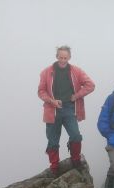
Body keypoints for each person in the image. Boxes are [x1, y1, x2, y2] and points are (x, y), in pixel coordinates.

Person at [38, 45, 95, 174]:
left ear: (69, 57)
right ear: (56, 56)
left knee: (76, 136)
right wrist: (52, 101)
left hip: (70, 108)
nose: (63, 60)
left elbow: (90, 85)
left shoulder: (76, 71)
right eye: (60, 57)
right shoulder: (46, 72)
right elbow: (41, 91)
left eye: (65, 57)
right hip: (52, 111)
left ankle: (75, 159)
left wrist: (76, 95)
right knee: (53, 141)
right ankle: (54, 167)